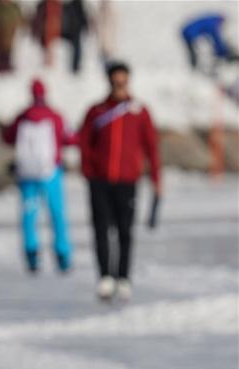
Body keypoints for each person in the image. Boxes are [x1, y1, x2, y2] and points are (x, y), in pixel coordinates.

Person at [79, 62, 160, 302]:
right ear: (109, 82)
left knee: (125, 230)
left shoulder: (139, 111)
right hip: (99, 181)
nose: (119, 85)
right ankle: (105, 276)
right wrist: (89, 171)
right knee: (101, 229)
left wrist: (156, 177)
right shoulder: (97, 111)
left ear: (128, 81)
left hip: (127, 181)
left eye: (122, 81)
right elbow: (84, 142)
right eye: (115, 81)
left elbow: (151, 146)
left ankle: (123, 277)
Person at [0, 78, 76, 273]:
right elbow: (69, 138)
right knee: (56, 213)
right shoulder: (55, 116)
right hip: (51, 171)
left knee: (29, 213)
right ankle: (62, 252)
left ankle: (31, 252)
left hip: (27, 173)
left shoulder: (22, 116)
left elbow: (8, 137)